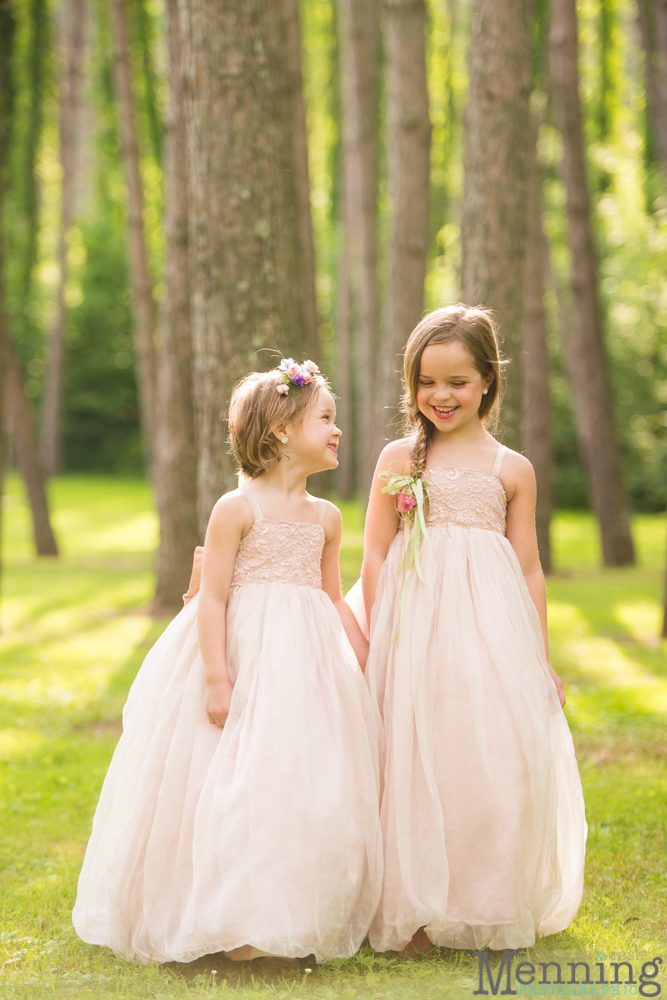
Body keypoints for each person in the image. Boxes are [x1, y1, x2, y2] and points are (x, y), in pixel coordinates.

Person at [73, 361, 382, 966]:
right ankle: (231, 921)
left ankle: (289, 917)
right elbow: (212, 596)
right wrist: (217, 675)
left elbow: (329, 593)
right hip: (243, 656)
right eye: (326, 418)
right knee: (233, 783)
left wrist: (366, 658)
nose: (337, 430)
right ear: (283, 431)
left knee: (300, 782)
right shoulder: (236, 509)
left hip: (307, 668)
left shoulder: (326, 517)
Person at [354, 305, 586, 954]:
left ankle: (477, 901)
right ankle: (412, 906)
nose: (440, 396)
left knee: (482, 754)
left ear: (486, 379)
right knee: (408, 751)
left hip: (485, 629)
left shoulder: (511, 469)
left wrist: (536, 659)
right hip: (411, 622)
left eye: (456, 381)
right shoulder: (401, 456)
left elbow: (529, 569)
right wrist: (379, 630)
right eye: (426, 382)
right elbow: (374, 551)